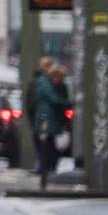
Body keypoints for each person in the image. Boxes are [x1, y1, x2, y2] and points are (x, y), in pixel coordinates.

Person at [32, 57, 73, 186]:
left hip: (48, 120)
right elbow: (54, 99)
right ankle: (45, 171)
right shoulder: (45, 84)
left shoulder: (43, 82)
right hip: (47, 120)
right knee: (48, 146)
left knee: (49, 146)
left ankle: (46, 171)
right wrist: (70, 103)